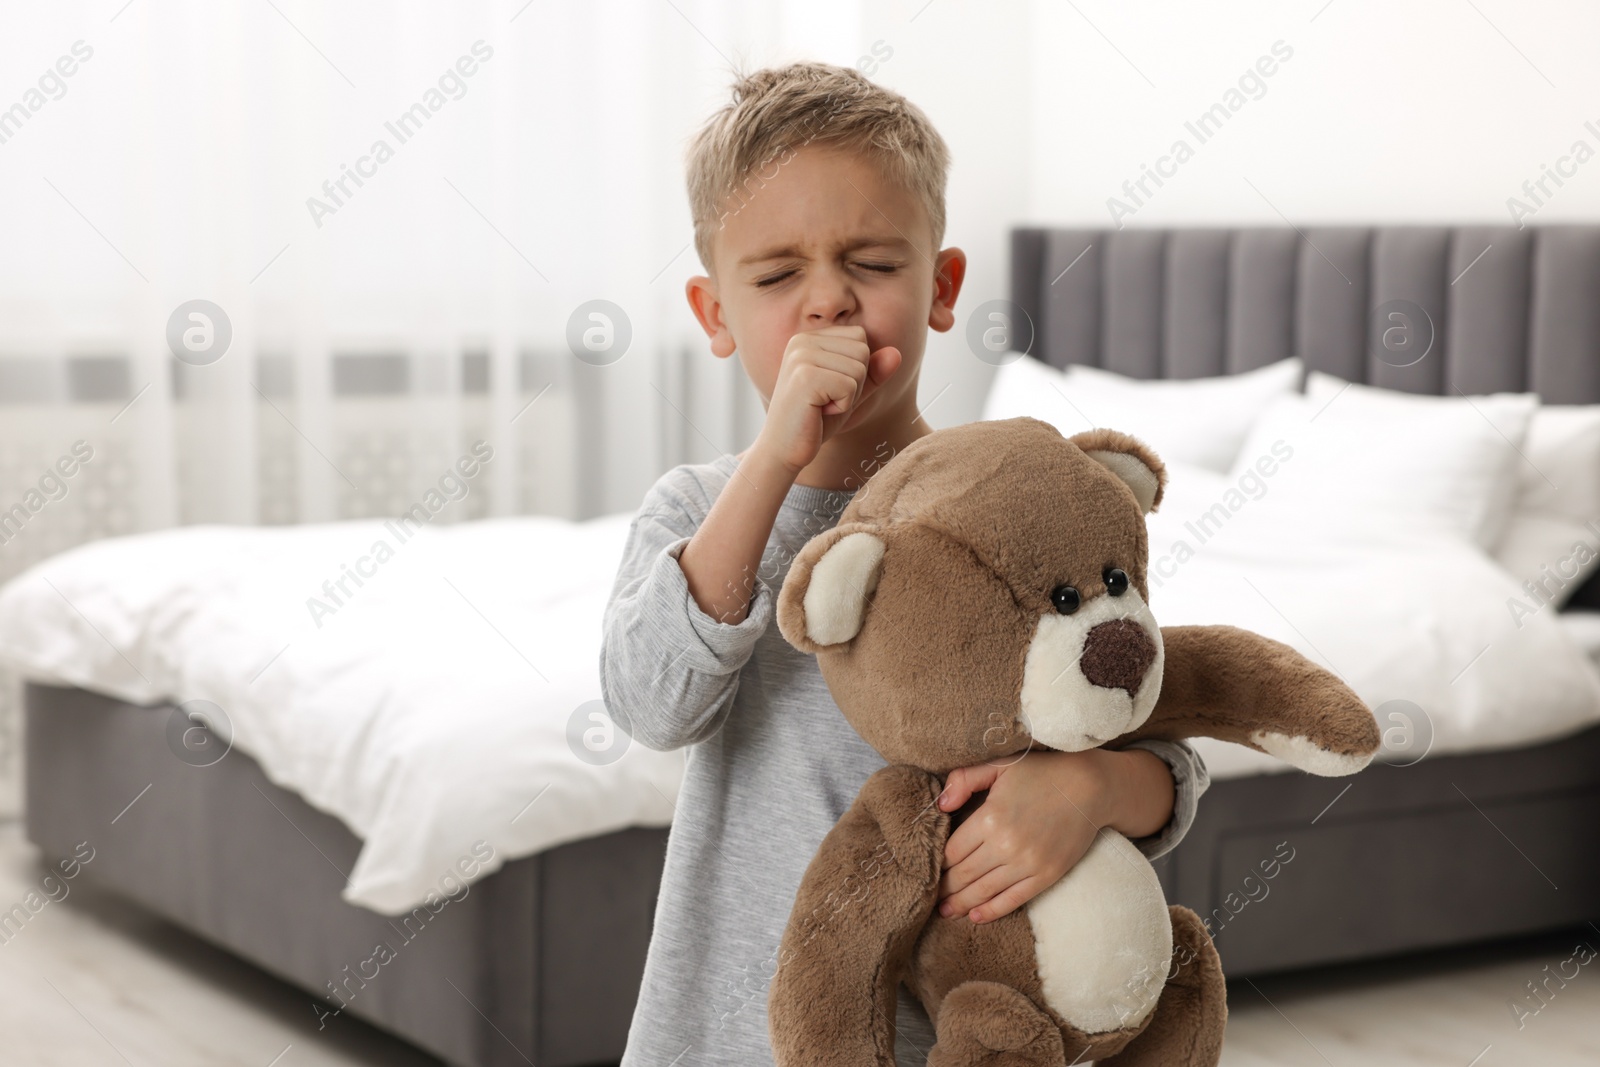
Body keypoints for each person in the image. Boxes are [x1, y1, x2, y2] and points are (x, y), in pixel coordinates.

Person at [599, 60, 1209, 1066]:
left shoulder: (1012, 500)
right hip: (724, 1035)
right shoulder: (699, 510)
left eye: (872, 263)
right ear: (714, 315)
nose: (828, 303)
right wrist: (774, 463)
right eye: (776, 275)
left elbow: (1164, 734)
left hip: (955, 1033)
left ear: (941, 285)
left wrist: (1095, 788)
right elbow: (651, 700)